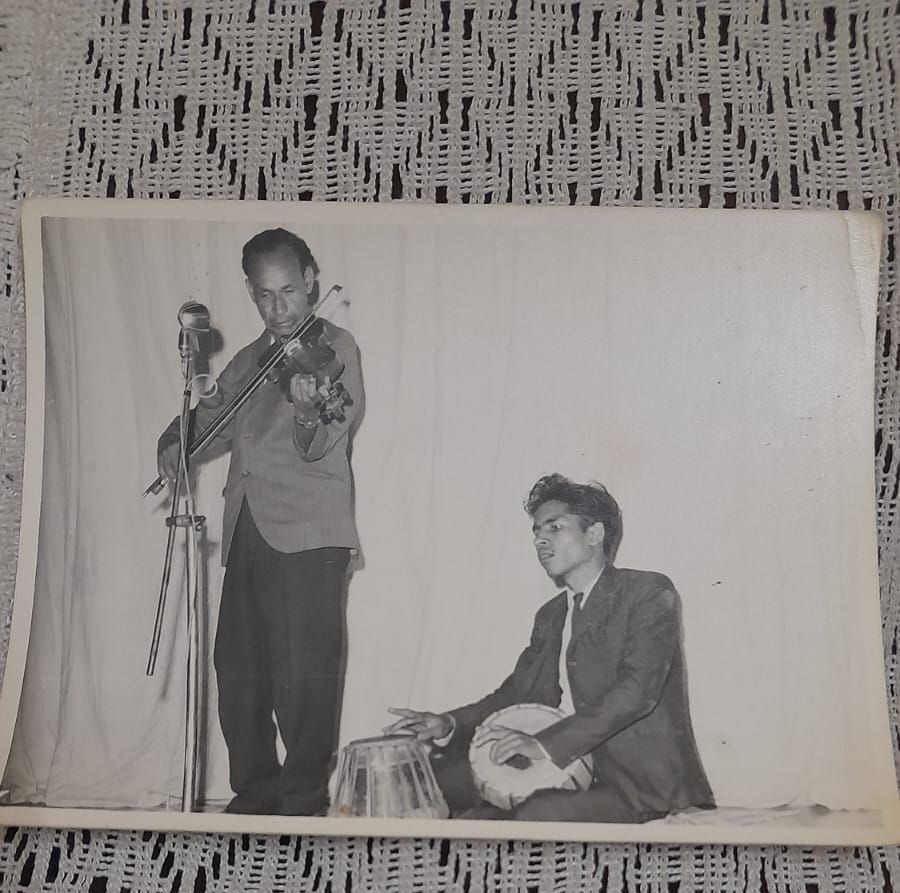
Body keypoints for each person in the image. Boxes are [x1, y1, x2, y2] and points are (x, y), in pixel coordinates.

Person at [157, 228, 365, 815]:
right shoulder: (250, 358)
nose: (280, 309)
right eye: (266, 296)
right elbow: (211, 415)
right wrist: (174, 439)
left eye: (290, 291)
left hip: (308, 535)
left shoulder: (336, 348)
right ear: (251, 292)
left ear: (311, 282)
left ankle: (301, 802)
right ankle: (255, 793)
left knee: (305, 678)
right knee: (238, 670)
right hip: (248, 529)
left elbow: (324, 439)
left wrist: (306, 413)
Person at [388, 474, 714, 824]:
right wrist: (448, 723)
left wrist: (543, 745)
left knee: (534, 816)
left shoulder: (647, 591)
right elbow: (516, 694)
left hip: (639, 788)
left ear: (594, 534)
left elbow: (637, 692)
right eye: (537, 532)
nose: (540, 540)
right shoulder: (552, 614)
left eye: (554, 527)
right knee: (430, 784)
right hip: (562, 773)